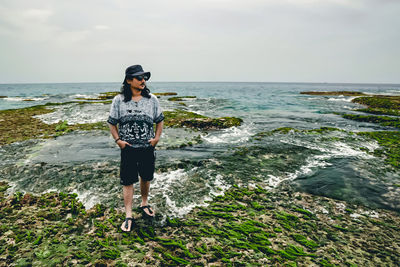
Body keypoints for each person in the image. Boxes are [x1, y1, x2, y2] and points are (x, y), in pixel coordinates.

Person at [107, 65, 164, 232]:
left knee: (146, 177)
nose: (143, 81)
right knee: (128, 181)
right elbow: (111, 122)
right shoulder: (119, 100)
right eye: (139, 78)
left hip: (147, 147)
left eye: (144, 78)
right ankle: (128, 214)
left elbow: (159, 120)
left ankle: (144, 203)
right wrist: (118, 140)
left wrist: (156, 139)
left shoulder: (152, 99)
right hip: (128, 148)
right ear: (129, 80)